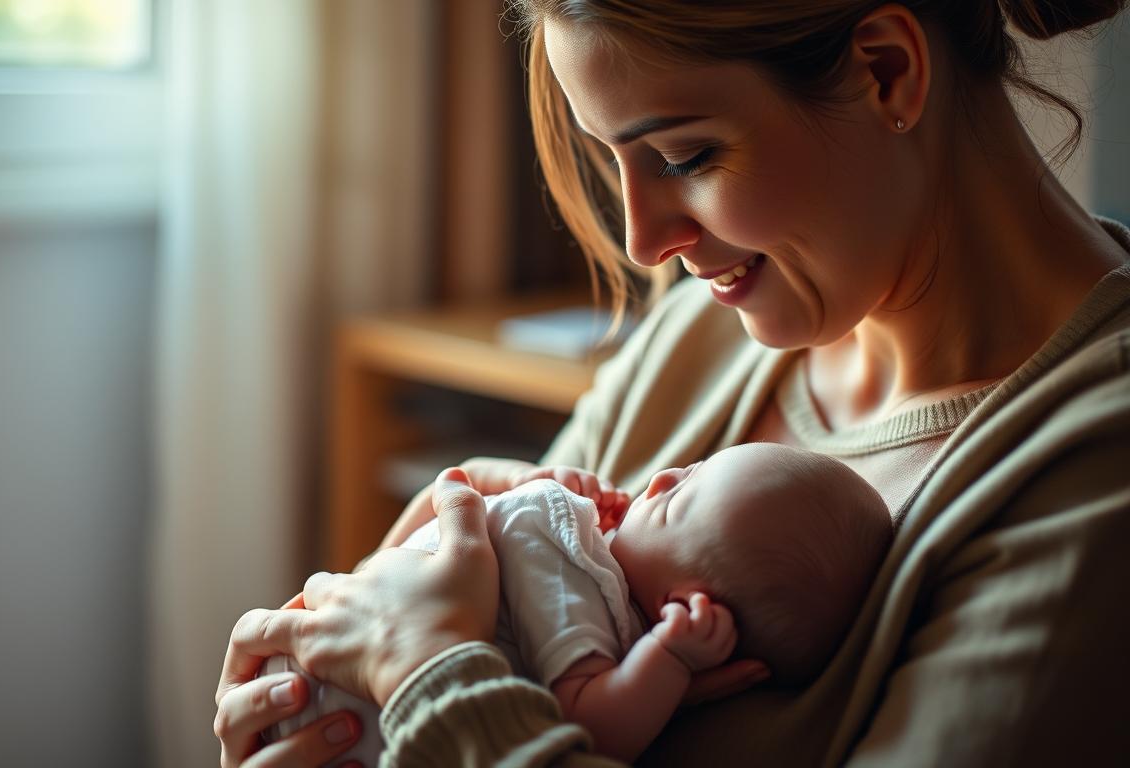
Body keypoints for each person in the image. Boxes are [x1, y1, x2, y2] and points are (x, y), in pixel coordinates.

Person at [216, 0, 1130, 765]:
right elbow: (462, 626)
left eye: (686, 157)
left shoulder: (1093, 474)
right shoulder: (712, 333)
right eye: (612, 157)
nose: (643, 244)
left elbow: (438, 673)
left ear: (886, 71)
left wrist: (426, 672)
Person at [261, 444, 891, 763]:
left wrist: (665, 658)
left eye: (677, 500)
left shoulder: (577, 559)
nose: (663, 476)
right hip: (322, 700)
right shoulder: (553, 524)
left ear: (685, 606)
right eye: (693, 467)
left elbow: (588, 725)